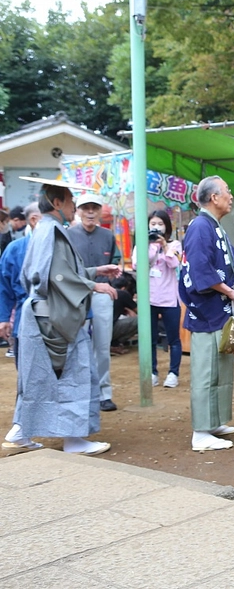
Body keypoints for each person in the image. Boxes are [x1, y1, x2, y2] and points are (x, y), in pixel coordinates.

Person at [9, 179, 120, 455]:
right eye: (71, 202)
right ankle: (74, 439)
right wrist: (95, 285)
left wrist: (95, 272)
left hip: (39, 314)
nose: (73, 208)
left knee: (37, 378)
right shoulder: (54, 231)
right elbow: (58, 277)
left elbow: (39, 275)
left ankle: (20, 430)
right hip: (56, 316)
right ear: (57, 203)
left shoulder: (41, 230)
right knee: (75, 373)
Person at [179, 176, 234, 451]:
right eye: (227, 191)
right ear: (213, 197)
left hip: (221, 311)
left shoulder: (214, 226)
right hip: (207, 312)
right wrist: (232, 292)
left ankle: (214, 421)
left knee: (221, 369)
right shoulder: (200, 227)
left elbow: (233, 255)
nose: (231, 196)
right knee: (205, 371)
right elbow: (200, 270)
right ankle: (200, 432)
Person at [66, 193, 122, 412]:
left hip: (101, 293)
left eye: (94, 208)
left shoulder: (107, 236)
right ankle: (81, 392)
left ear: (100, 211)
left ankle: (103, 393)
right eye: (85, 208)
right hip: (75, 294)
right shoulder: (68, 235)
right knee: (77, 345)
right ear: (78, 210)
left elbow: (115, 260)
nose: (90, 212)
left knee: (102, 345)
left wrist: (115, 272)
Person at [0, 203, 43, 451]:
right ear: (35, 220)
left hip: (45, 318)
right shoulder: (16, 248)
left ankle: (24, 428)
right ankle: (20, 428)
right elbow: (4, 284)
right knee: (27, 377)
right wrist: (4, 317)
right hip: (25, 316)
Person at [132, 210, 182, 387]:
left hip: (170, 299)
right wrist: (151, 247)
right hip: (149, 300)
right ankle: (152, 372)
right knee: (150, 338)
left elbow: (174, 264)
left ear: (167, 226)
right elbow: (138, 265)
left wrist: (165, 247)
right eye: (153, 224)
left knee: (173, 338)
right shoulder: (141, 244)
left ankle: (173, 373)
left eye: (160, 224)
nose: (156, 227)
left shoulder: (175, 244)